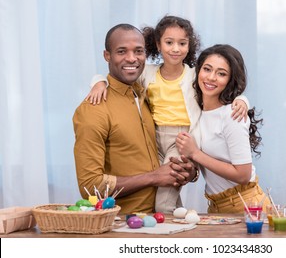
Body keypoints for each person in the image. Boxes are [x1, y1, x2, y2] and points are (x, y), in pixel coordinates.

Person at [86, 16, 249, 213]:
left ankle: (170, 232)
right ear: (158, 44)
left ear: (190, 46)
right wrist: (98, 82)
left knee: (163, 200)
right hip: (153, 138)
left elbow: (217, 84)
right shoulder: (147, 73)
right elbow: (117, 74)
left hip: (180, 140)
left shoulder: (194, 74)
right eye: (169, 42)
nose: (175, 48)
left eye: (182, 43)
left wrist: (242, 100)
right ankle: (181, 222)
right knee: (159, 191)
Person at [73, 23, 196, 215]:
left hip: (162, 219)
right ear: (107, 56)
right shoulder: (94, 109)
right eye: (121, 51)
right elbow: (90, 187)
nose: (131, 58)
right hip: (123, 224)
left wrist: (189, 173)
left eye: (138, 51)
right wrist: (154, 177)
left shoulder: (144, 94)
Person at [175, 44, 271, 213]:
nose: (211, 77)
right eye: (207, 69)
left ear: (230, 80)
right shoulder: (195, 112)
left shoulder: (232, 115)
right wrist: (191, 171)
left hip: (246, 204)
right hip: (216, 205)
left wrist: (195, 153)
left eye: (221, 74)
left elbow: (242, 175)